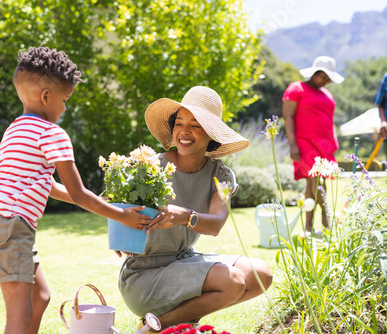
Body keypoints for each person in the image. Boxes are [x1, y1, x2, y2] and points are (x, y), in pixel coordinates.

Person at [0, 45, 151, 334]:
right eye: (65, 99)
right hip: (11, 224)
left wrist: (100, 202)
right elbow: (79, 193)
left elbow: (50, 186)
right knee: (18, 315)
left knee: (40, 296)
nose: (65, 107)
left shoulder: (16, 129)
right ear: (46, 96)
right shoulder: (52, 133)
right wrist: (120, 216)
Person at [116, 86, 273, 332]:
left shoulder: (221, 175)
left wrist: (185, 216)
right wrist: (118, 230)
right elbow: (111, 201)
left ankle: (167, 321)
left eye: (196, 125)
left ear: (211, 133)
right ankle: (156, 325)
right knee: (231, 281)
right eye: (179, 123)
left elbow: (216, 224)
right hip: (144, 274)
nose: (184, 132)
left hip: (185, 260)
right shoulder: (151, 167)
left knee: (261, 274)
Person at [282, 56, 344, 235]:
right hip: (305, 143)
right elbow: (288, 117)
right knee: (316, 181)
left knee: (313, 184)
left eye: (328, 78)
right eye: (323, 77)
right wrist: (293, 144)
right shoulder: (297, 88)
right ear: (315, 73)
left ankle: (309, 227)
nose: (326, 81)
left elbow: (328, 120)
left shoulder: (327, 94)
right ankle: (326, 220)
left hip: (324, 146)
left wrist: (333, 141)